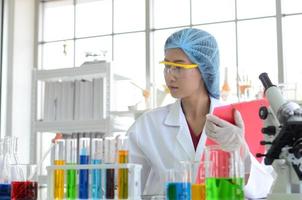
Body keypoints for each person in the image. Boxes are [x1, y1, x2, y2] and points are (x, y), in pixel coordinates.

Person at [127, 28, 274, 198]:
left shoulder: (238, 119)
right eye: (167, 66)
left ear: (204, 68)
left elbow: (263, 189)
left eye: (179, 67)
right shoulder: (147, 125)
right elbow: (128, 187)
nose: (170, 76)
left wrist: (240, 150)